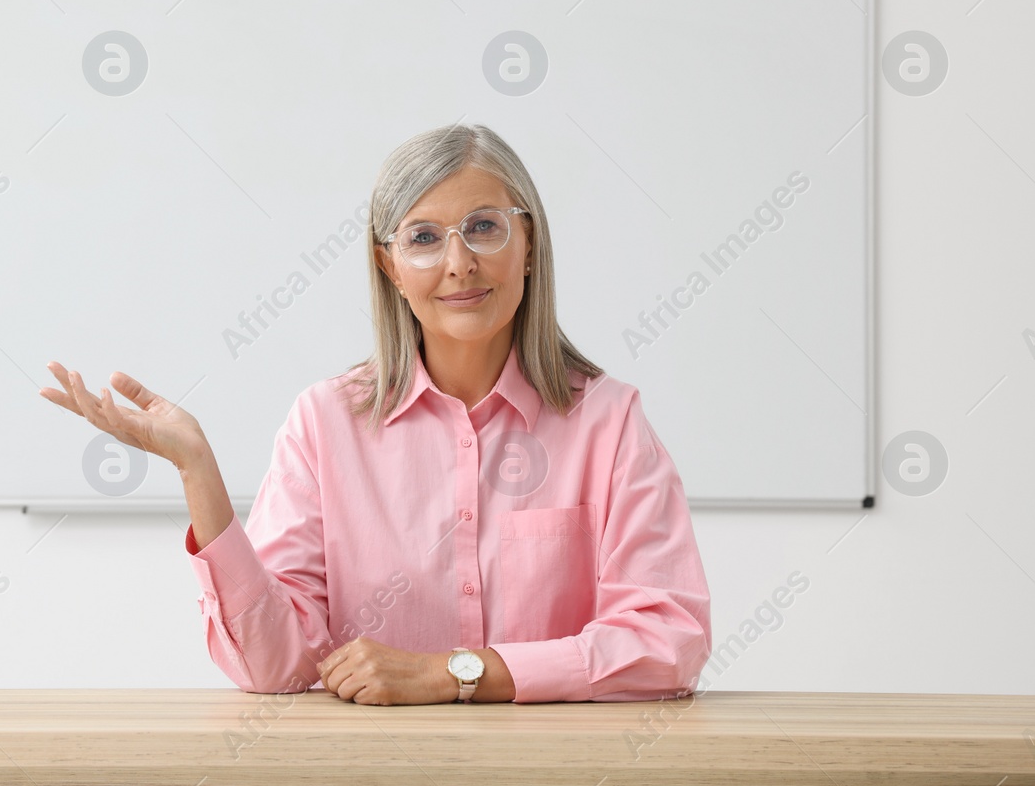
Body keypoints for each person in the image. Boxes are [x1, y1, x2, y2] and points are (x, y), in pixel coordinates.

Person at [40, 123, 711, 705]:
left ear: (528, 244)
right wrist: (199, 474)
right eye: (424, 237)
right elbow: (274, 664)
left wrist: (453, 674)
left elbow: (667, 640)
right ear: (389, 266)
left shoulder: (611, 421)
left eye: (484, 226)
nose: (459, 263)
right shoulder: (323, 423)